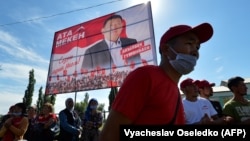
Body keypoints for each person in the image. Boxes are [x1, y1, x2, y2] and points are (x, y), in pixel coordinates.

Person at [99, 22, 214, 141]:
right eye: (189, 43)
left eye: (197, 47)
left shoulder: (175, 89)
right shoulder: (145, 76)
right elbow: (109, 136)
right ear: (166, 49)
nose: (195, 51)